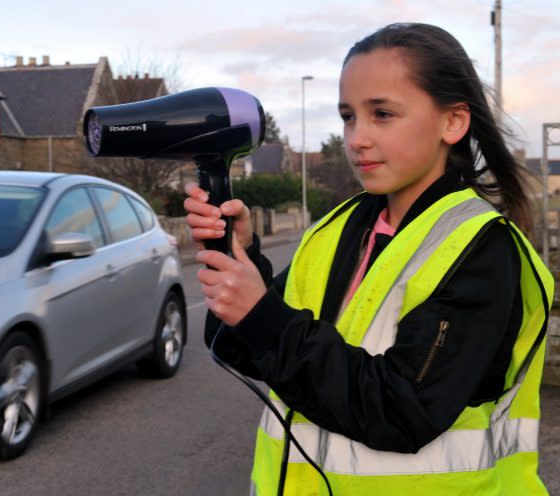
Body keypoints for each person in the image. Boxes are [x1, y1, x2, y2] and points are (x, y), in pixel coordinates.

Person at [184, 23, 552, 495]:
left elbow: (403, 410)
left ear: (453, 122)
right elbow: (238, 347)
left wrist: (264, 316)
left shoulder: (482, 248)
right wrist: (243, 262)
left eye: (382, 113)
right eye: (348, 116)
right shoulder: (334, 230)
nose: (356, 138)